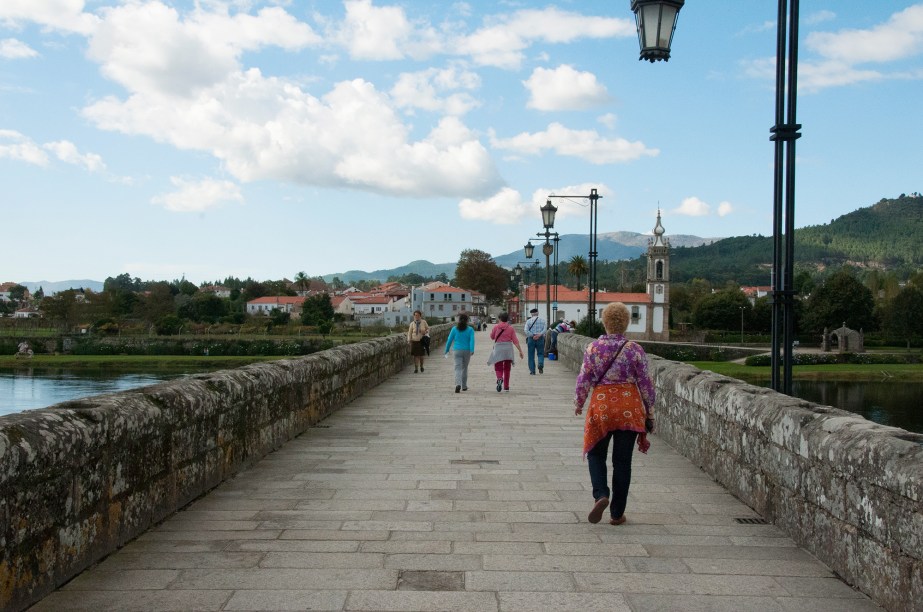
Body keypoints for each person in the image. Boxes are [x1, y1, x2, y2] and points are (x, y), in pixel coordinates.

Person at [574, 302, 656, 526]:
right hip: (629, 409)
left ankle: (601, 494)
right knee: (622, 462)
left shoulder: (593, 348)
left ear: (605, 322)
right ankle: (617, 514)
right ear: (626, 322)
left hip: (601, 407)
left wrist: (579, 402)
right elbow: (646, 384)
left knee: (596, 454)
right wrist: (650, 412)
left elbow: (584, 379)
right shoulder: (634, 349)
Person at [488, 312, 524, 392]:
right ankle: (506, 386)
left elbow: (492, 337)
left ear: (500, 318)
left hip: (498, 348)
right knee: (507, 368)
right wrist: (520, 351)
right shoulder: (511, 328)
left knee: (498, 365)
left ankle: (500, 378)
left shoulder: (496, 327)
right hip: (508, 349)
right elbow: (515, 340)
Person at [444, 313, 475, 393]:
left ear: (459, 320)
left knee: (457, 368)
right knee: (464, 368)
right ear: (467, 321)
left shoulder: (454, 329)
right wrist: (472, 350)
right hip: (467, 351)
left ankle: (458, 384)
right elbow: (472, 340)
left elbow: (449, 340)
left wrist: (446, 350)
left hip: (457, 350)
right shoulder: (470, 329)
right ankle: (464, 386)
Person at [523, 308, 547, 375]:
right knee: (540, 353)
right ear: (538, 313)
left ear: (531, 314)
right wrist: (539, 335)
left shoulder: (528, 321)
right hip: (540, 338)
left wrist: (532, 335)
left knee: (531, 355)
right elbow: (545, 329)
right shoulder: (543, 320)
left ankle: (532, 371)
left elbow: (526, 330)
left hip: (531, 339)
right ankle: (540, 364)